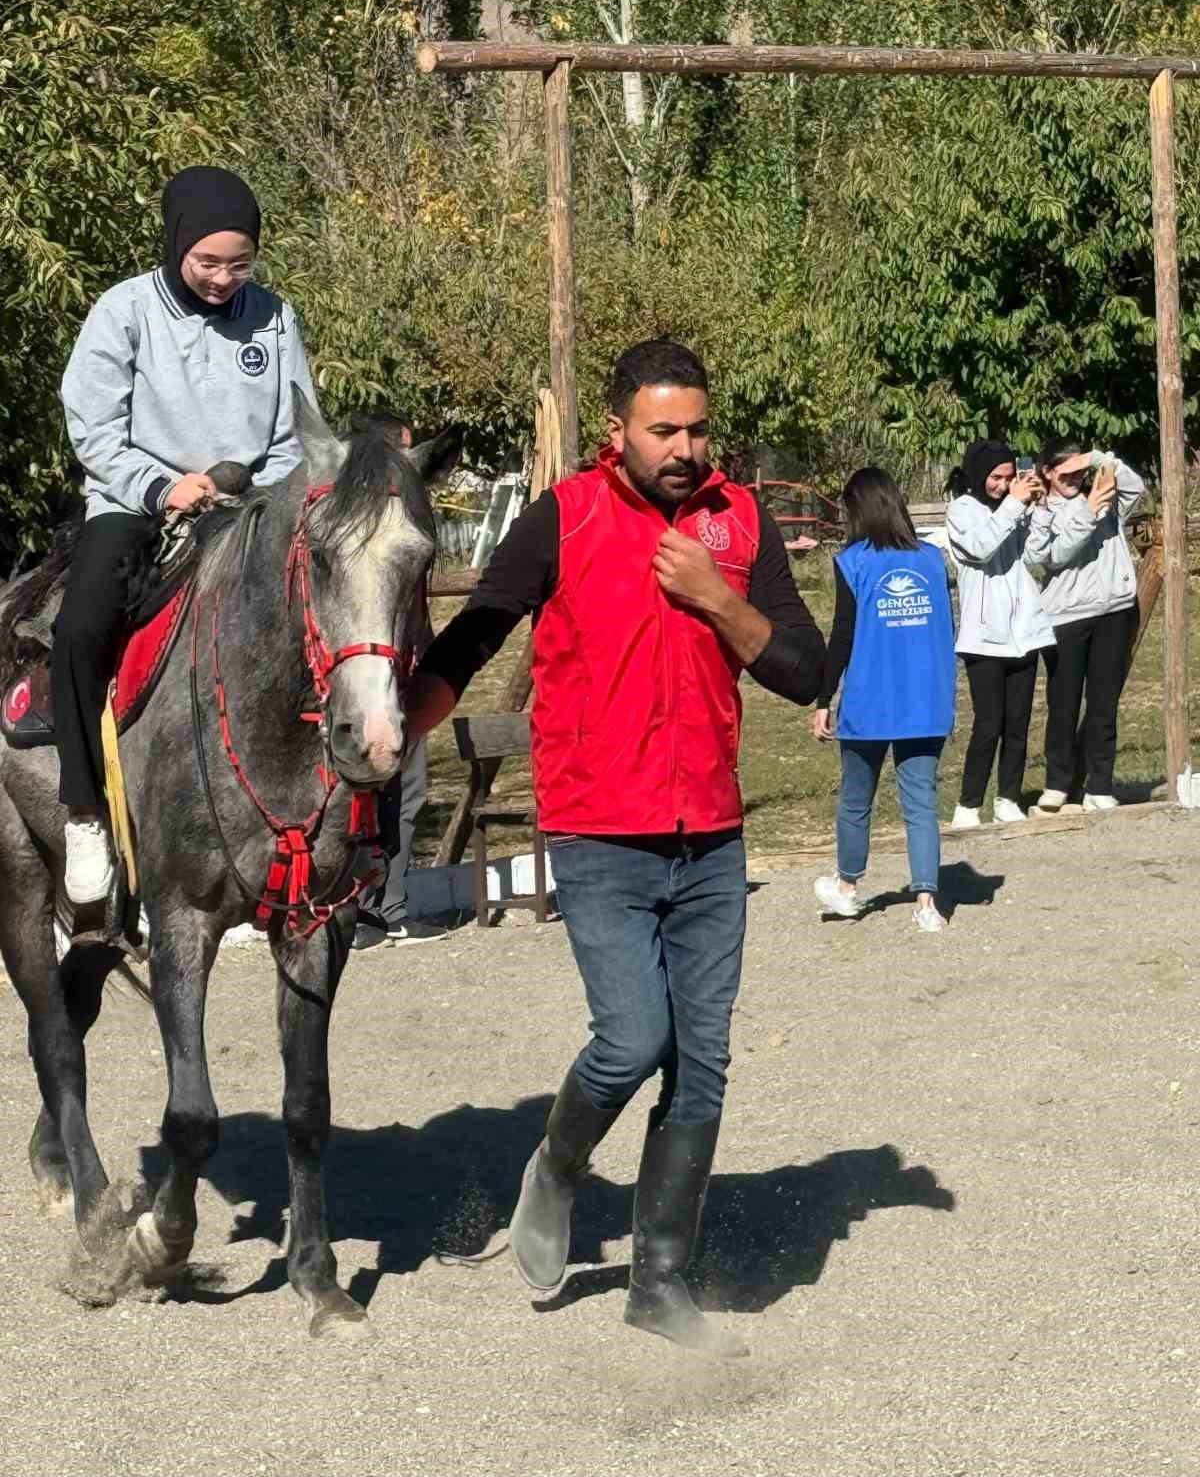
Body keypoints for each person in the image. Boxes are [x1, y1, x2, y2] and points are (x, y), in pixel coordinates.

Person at [404, 338, 825, 1358]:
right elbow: (478, 632)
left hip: (712, 836)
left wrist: (719, 598)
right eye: (663, 429)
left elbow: (806, 670)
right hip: (599, 828)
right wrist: (398, 727)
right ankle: (555, 1165)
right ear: (618, 431)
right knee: (633, 1039)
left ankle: (660, 1281)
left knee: (705, 1062)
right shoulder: (566, 516)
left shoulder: (742, 519)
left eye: (697, 428)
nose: (684, 448)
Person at [54, 165, 315, 904]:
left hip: (247, 506)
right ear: (176, 246)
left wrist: (264, 495)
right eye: (208, 262)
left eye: (240, 263)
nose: (223, 278)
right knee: (79, 629)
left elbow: (295, 429)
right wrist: (164, 487)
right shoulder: (124, 311)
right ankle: (82, 808)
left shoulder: (275, 316)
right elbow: (94, 427)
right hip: (136, 503)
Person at [811, 467, 957, 933]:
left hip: (870, 702)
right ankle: (928, 904)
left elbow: (843, 635)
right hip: (926, 701)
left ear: (859, 510)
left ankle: (849, 887)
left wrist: (823, 697)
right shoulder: (933, 560)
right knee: (920, 802)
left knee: (857, 799)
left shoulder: (853, 562)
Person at [354, 423, 447, 948]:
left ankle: (395, 905)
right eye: (405, 450)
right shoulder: (361, 529)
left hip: (411, 670)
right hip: (369, 679)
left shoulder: (410, 520)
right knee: (365, 794)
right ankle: (361, 910)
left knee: (408, 795)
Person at [1025, 439, 1145, 813]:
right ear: (1047, 472)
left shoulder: (1104, 496)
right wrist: (1089, 513)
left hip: (1114, 610)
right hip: (1067, 617)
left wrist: (1099, 459)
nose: (1074, 478)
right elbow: (1052, 556)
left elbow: (1136, 488)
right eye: (1065, 472)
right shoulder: (1039, 511)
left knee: (1104, 704)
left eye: (1079, 471)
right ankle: (1058, 783)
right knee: (1063, 703)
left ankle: (1100, 784)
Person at [944, 439, 1055, 828]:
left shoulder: (1018, 506)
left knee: (1018, 723)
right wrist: (1013, 505)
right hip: (983, 636)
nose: (1003, 484)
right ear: (979, 475)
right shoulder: (962, 510)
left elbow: (1037, 554)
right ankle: (968, 804)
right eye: (996, 477)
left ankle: (1008, 797)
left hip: (1023, 631)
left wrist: (1039, 507)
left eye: (1010, 477)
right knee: (989, 723)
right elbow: (981, 548)